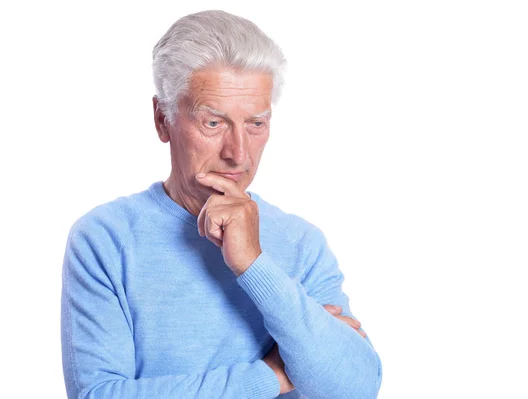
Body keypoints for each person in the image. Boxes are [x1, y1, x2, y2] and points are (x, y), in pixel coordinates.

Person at [61, 9, 382, 399]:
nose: (238, 153)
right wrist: (270, 377)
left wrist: (253, 265)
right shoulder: (105, 240)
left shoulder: (302, 243)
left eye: (256, 124)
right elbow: (98, 395)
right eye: (213, 123)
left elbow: (356, 389)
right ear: (163, 119)